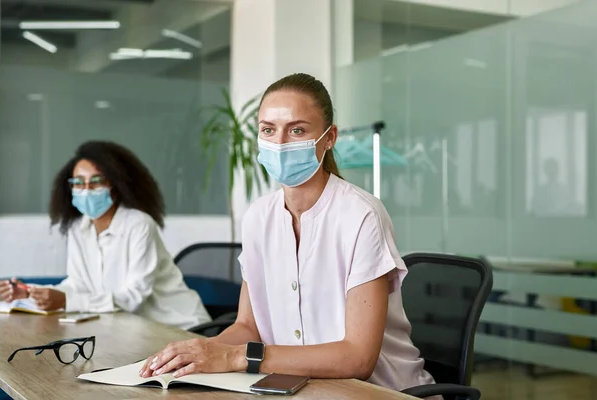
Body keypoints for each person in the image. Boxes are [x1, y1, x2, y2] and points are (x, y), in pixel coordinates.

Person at [139, 73, 437, 393]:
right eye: (268, 130)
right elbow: (248, 326)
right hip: (295, 387)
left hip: (382, 392)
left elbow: (357, 358)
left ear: (329, 137)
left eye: (296, 130)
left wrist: (239, 357)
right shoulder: (259, 217)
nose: (279, 143)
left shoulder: (360, 215)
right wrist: (200, 354)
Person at [0, 141, 211, 330]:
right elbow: (78, 285)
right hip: (130, 330)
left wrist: (66, 301)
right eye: (78, 183)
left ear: (115, 186)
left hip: (181, 328)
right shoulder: (78, 228)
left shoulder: (139, 225)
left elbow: (133, 298)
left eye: (96, 181)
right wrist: (32, 293)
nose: (86, 190)